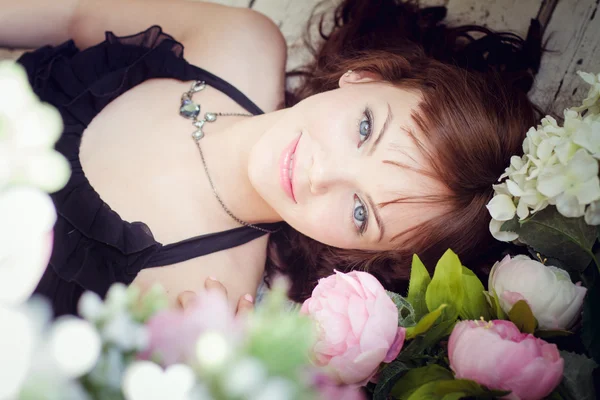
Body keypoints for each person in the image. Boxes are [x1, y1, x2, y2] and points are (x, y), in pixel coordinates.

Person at [0, 0, 542, 316]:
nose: (318, 173)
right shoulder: (238, 42)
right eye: (365, 127)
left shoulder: (198, 300)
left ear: (359, 254)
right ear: (368, 73)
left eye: (360, 212)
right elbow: (68, 9)